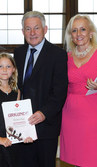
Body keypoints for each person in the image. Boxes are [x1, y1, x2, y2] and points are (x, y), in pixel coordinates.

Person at [60, 14, 97, 167]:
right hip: (70, 112)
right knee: (75, 158)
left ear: (91, 32)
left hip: (94, 111)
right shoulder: (66, 57)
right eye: (74, 30)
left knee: (92, 157)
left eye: (83, 29)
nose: (78, 34)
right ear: (70, 35)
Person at [13, 11, 68, 167]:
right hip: (21, 125)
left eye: (36, 28)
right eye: (28, 29)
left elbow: (60, 91)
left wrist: (44, 113)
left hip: (46, 126)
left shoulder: (58, 55)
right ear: (23, 32)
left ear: (45, 29)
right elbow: (16, 86)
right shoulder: (18, 53)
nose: (32, 33)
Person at [0, 53, 33, 167]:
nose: (4, 70)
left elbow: (18, 118)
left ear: (13, 69)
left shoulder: (17, 92)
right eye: (0, 66)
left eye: (8, 66)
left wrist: (25, 135)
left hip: (13, 140)